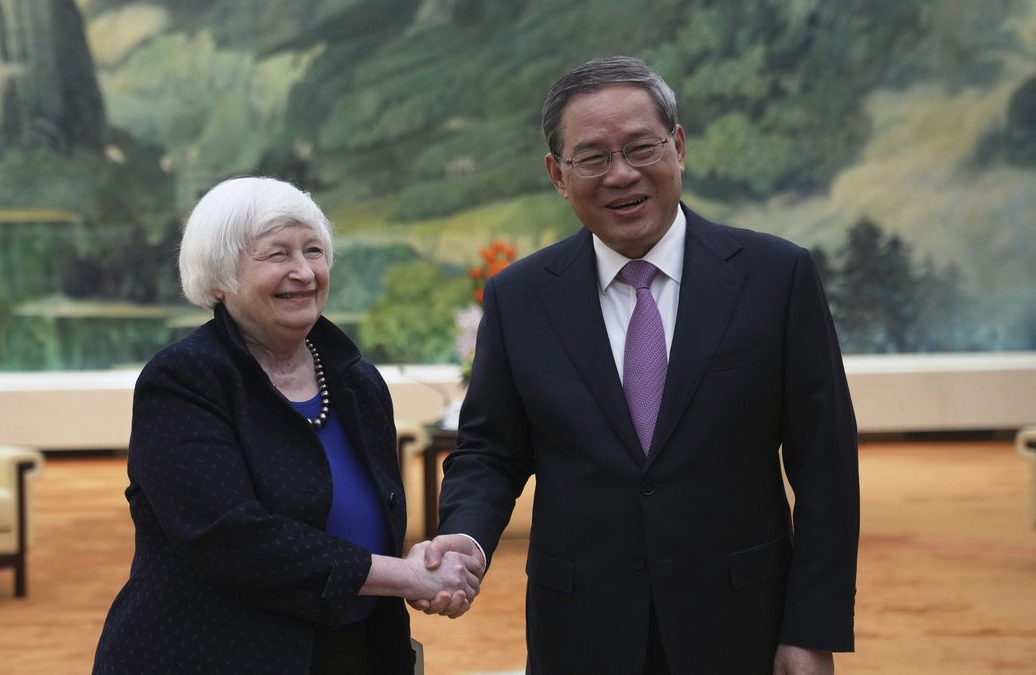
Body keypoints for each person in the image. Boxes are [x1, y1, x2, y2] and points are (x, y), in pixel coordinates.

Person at [417, 56, 860, 674]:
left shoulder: (774, 277)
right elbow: (491, 449)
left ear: (678, 147)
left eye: (641, 147)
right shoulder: (520, 297)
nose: (621, 174)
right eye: (593, 157)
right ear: (557, 175)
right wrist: (464, 538)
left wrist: (813, 630)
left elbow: (826, 466)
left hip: (741, 626)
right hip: (582, 631)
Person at [93, 176, 481, 674]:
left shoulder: (356, 380)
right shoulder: (183, 380)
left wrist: (423, 560)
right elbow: (230, 537)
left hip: (355, 651)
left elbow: (371, 519)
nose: (303, 272)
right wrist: (405, 577)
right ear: (219, 276)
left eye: (314, 250)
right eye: (277, 254)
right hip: (213, 656)